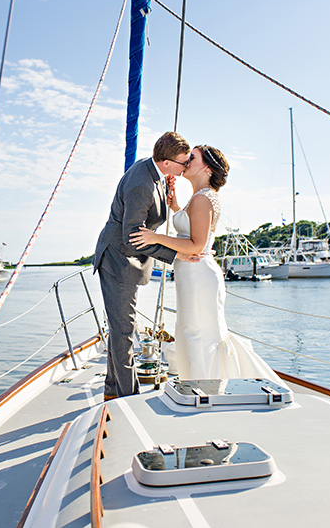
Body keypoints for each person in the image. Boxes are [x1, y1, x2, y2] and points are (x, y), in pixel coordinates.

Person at [130, 145, 280, 382]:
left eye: (193, 157)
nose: (187, 160)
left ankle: (207, 387)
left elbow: (197, 245)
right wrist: (175, 206)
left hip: (198, 275)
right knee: (192, 331)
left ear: (207, 169)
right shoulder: (199, 198)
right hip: (192, 275)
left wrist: (155, 237)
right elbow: (191, 227)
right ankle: (200, 384)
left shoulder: (203, 199)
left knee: (200, 334)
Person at [93, 132, 197, 400]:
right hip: (119, 259)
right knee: (124, 331)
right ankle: (128, 398)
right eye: (183, 163)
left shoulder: (152, 172)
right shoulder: (142, 184)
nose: (185, 168)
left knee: (121, 328)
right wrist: (175, 255)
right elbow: (132, 238)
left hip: (127, 260)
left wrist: (167, 188)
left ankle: (112, 390)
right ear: (165, 161)